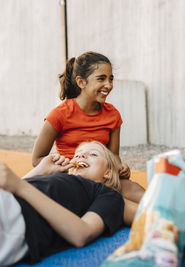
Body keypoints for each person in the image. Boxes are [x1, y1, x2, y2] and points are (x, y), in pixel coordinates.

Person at [31, 51, 144, 203]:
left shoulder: (113, 114)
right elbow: (37, 159)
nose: (108, 85)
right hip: (70, 178)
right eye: (101, 79)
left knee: (136, 191)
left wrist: (120, 168)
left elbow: (113, 155)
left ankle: (168, 220)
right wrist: (65, 165)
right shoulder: (59, 115)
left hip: (101, 178)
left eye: (111, 79)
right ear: (81, 82)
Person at [0, 141, 137, 265]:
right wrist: (39, 171)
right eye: (77, 155)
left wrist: (20, 185)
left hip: (15, 221)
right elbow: (11, 186)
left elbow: (81, 234)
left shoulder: (105, 194)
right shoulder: (54, 176)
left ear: (107, 172)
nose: (80, 157)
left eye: (93, 154)